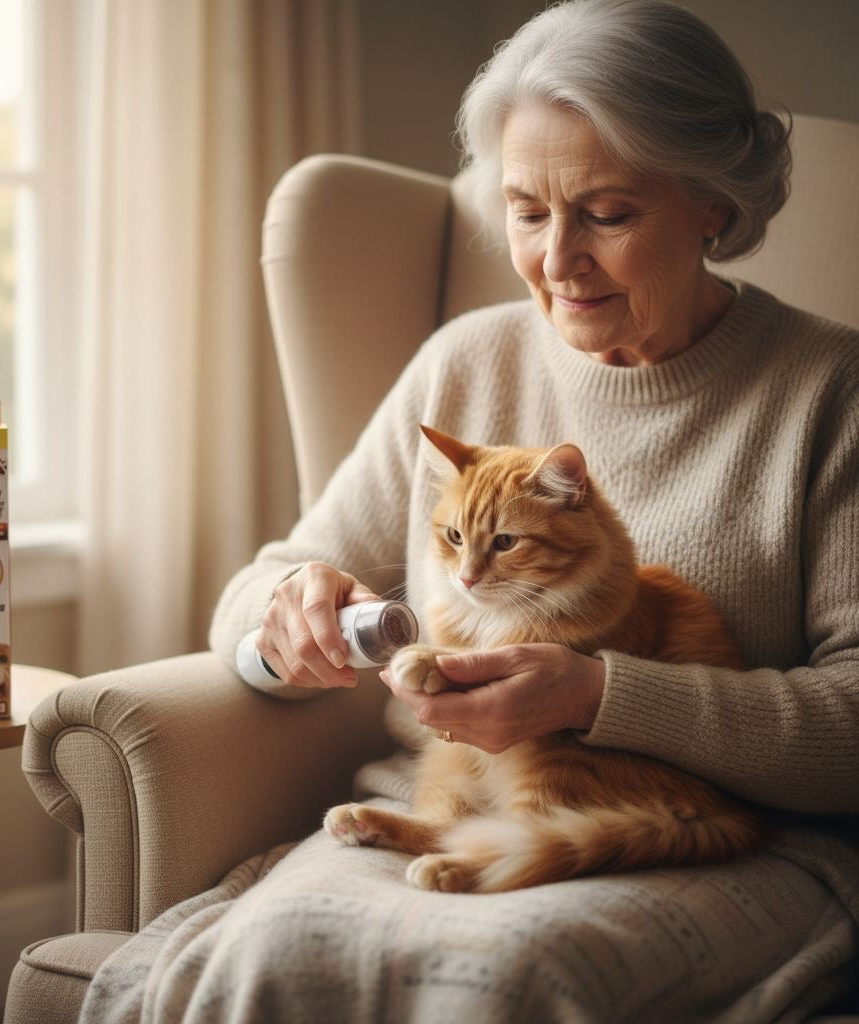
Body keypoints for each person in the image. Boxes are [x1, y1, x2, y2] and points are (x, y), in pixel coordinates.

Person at [82, 1, 858, 1019]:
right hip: (444, 805)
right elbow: (260, 593)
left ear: (710, 204)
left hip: (719, 835)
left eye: (608, 213)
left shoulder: (827, 391)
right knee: (274, 955)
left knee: (500, 977)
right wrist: (288, 615)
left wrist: (595, 694)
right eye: (527, 211)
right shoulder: (466, 363)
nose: (556, 260)